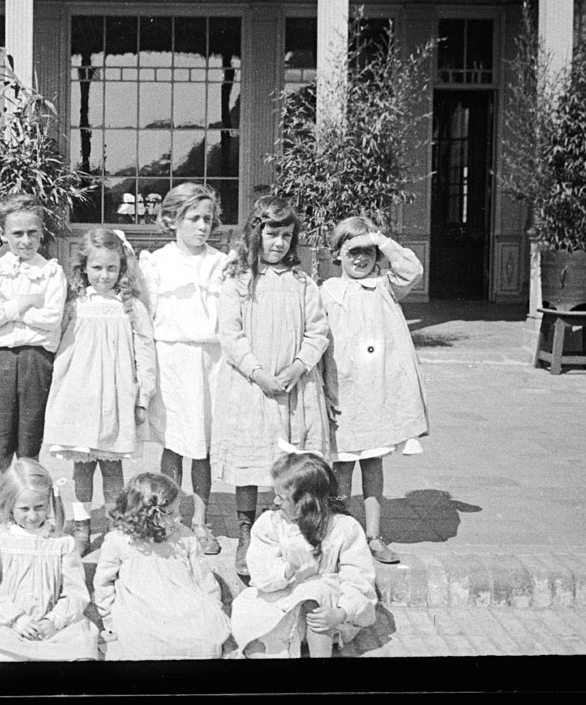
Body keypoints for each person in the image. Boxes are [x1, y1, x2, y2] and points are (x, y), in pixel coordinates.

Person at [218, 195, 332, 580]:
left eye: (286, 235)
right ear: (256, 233)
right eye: (271, 234)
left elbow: (318, 331)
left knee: (291, 463)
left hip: (294, 387)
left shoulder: (303, 283)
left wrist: (298, 367)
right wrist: (259, 373)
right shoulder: (238, 283)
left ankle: (291, 530)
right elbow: (230, 335)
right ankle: (246, 533)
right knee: (252, 462)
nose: (278, 243)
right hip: (254, 388)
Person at [318, 216, 431, 566]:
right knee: (340, 469)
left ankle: (373, 535)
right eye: (352, 252)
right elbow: (319, 342)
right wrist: (324, 389)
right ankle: (337, 537)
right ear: (337, 255)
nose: (360, 259)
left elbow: (412, 269)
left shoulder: (385, 287)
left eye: (367, 252)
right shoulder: (327, 292)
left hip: (376, 392)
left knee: (372, 464)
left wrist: (380, 239)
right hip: (343, 390)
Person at [42, 228, 158, 553]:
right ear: (83, 268)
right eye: (97, 268)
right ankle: (81, 529)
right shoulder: (74, 305)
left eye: (111, 268)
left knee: (112, 469)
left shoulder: (131, 307)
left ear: (122, 268)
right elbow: (56, 346)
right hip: (80, 399)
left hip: (115, 401)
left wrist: (142, 397)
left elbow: (146, 353)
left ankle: (114, 529)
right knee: (81, 468)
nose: (104, 275)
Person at [141, 182, 233, 556]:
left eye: (208, 219)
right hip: (172, 360)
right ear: (171, 220)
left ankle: (201, 519)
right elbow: (145, 318)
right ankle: (168, 516)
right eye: (193, 218)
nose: (202, 226)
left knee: (204, 446)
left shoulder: (222, 263)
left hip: (211, 361)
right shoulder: (156, 262)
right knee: (174, 443)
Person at [0, 459, 102, 661]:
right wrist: (18, 620)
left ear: (49, 502)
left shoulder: (62, 543)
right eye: (24, 509)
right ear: (10, 505)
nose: (33, 516)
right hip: (4, 623)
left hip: (49, 625)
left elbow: (75, 591)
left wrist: (54, 620)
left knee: (82, 652)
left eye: (39, 507)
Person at [231, 453, 380, 659]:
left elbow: (358, 579)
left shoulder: (344, 528)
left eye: (282, 498)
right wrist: (287, 569)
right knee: (252, 631)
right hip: (280, 599)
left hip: (325, 610)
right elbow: (260, 572)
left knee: (314, 591)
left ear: (308, 502)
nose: (275, 502)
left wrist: (342, 612)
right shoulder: (271, 524)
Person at [0, 193, 69, 480]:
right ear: (4, 234)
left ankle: (29, 517)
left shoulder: (51, 272)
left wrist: (8, 311)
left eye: (32, 233)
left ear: (41, 232)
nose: (25, 240)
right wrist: (23, 303)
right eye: (17, 233)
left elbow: (51, 320)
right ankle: (1, 519)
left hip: (36, 362)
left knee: (29, 444)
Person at [93, 473, 233, 660]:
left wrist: (212, 609)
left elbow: (204, 578)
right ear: (148, 516)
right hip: (140, 607)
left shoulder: (184, 536)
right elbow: (103, 583)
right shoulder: (118, 541)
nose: (180, 517)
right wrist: (109, 620)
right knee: (141, 645)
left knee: (204, 640)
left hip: (183, 604)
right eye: (172, 513)